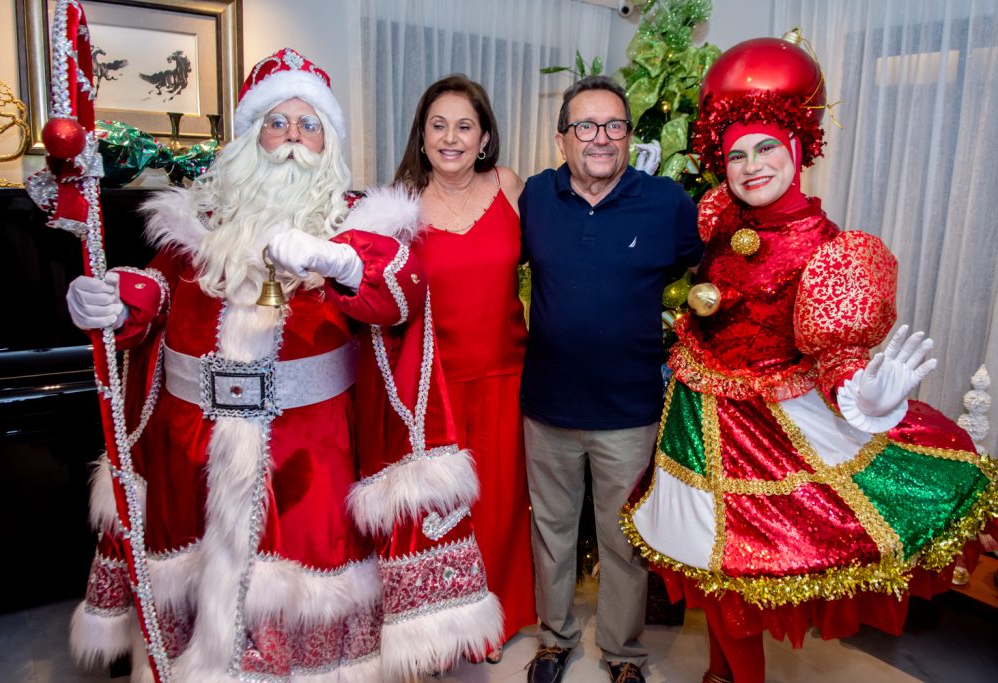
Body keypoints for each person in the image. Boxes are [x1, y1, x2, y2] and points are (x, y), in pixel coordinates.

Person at [64, 47, 501, 682]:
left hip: (307, 463)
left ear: (329, 143)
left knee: (297, 609)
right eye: (278, 122)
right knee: (202, 609)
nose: (293, 138)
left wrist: (340, 263)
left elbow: (401, 288)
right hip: (195, 455)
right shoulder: (202, 221)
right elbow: (161, 294)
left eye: (310, 124)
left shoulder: (354, 221)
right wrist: (115, 299)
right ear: (249, 136)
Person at [621, 36, 998, 683]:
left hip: (766, 434)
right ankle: (719, 674)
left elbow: (836, 356)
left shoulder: (828, 248)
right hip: (693, 417)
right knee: (707, 567)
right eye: (736, 152)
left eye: (766, 145)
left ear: (799, 147)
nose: (750, 164)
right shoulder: (717, 216)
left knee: (736, 573)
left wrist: (869, 396)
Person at [519, 75, 705, 683]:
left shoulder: (667, 205)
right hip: (547, 406)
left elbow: (713, 266)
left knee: (627, 542)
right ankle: (554, 640)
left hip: (629, 411)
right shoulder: (535, 199)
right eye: (586, 126)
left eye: (614, 126)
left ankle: (623, 655)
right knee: (551, 535)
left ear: (628, 135)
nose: (601, 138)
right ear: (562, 139)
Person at [394, 74, 536, 663]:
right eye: (439, 125)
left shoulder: (510, 187)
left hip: (507, 374)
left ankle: (494, 619)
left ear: (484, 138)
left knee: (501, 505)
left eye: (465, 126)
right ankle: (442, 621)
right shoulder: (398, 204)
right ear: (422, 136)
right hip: (433, 386)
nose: (451, 137)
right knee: (441, 512)